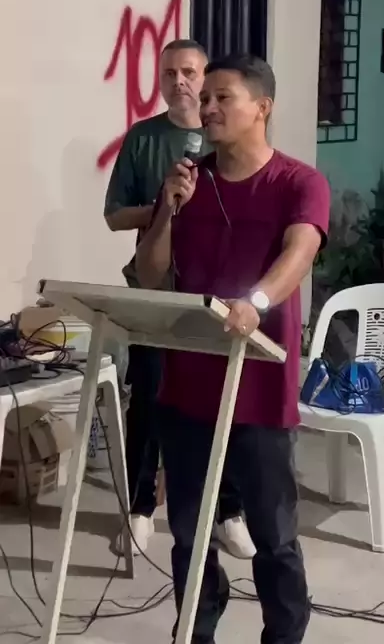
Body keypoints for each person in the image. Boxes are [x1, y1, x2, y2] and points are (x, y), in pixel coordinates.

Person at [136, 54, 331, 644]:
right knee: (190, 534)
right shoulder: (188, 181)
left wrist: (257, 301)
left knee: (273, 536)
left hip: (260, 387)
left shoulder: (299, 182)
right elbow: (151, 274)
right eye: (206, 98)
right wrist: (167, 211)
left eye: (223, 97)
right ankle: (196, 630)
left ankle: (284, 635)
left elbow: (300, 252)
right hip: (187, 388)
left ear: (262, 107)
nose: (208, 107)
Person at [104, 39, 255, 559]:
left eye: (190, 72)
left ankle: (228, 510)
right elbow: (114, 215)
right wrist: (165, 206)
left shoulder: (226, 136)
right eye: (170, 72)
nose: (180, 82)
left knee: (221, 399)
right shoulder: (143, 138)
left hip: (215, 292)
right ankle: (141, 508)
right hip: (154, 291)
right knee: (148, 395)